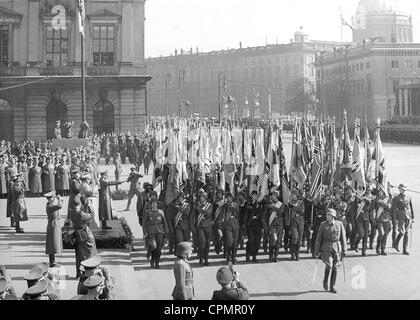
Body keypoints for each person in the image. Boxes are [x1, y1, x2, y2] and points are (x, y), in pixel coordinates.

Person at [314, 208, 347, 294]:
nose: (327, 216)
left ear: (333, 216)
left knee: (335, 267)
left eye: (329, 215)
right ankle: (325, 281)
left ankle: (332, 286)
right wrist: (316, 251)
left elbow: (343, 238)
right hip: (326, 247)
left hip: (336, 248)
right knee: (329, 265)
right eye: (327, 215)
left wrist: (344, 250)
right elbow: (318, 239)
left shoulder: (339, 224)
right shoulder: (323, 225)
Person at [69, 194, 97, 278]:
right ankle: (88, 272)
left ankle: (78, 273)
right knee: (88, 254)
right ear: (79, 204)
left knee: (78, 255)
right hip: (84, 234)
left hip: (76, 235)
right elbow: (91, 216)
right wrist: (90, 206)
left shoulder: (72, 212)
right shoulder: (81, 214)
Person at [143, 198, 169, 269]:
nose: (154, 205)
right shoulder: (148, 212)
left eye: (155, 204)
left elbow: (164, 222)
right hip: (151, 232)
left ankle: (157, 263)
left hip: (160, 232)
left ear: (157, 204)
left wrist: (166, 232)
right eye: (153, 204)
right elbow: (144, 223)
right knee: (153, 247)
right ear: (151, 205)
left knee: (158, 249)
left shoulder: (161, 212)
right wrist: (145, 232)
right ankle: (152, 261)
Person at [392, 184, 415, 255]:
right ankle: (396, 243)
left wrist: (413, 217)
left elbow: (411, 207)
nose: (401, 190)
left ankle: (404, 249)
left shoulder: (409, 196)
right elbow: (394, 209)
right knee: (402, 232)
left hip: (408, 216)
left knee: (407, 233)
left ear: (404, 189)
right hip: (400, 216)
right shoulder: (396, 198)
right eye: (400, 189)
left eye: (402, 189)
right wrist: (395, 219)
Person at [193, 192, 213, 266]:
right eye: (200, 197)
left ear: (205, 198)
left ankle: (206, 259)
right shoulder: (197, 205)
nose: (201, 198)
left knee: (207, 243)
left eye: (202, 197)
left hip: (208, 226)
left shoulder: (209, 205)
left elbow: (208, 213)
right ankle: (201, 257)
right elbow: (193, 215)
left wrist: (200, 210)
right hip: (200, 226)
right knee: (203, 242)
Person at [264, 190, 285, 262]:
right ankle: (270, 255)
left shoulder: (281, 204)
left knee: (278, 241)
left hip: (279, 224)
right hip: (272, 224)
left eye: (274, 195)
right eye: (272, 195)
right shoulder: (269, 204)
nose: (272, 196)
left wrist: (273, 207)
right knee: (274, 238)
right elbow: (266, 215)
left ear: (277, 196)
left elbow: (280, 212)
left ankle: (276, 256)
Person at [220, 192, 240, 264]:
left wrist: (233, 207)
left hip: (235, 226)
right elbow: (222, 214)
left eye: (230, 197)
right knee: (229, 242)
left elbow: (238, 212)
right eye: (227, 197)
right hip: (227, 226)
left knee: (235, 243)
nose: (229, 198)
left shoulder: (236, 204)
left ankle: (233, 257)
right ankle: (228, 256)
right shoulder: (224, 206)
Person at [45, 191, 63, 267]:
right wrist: (59, 199)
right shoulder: (50, 206)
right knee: (52, 243)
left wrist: (60, 200)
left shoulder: (51, 205)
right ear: (49, 199)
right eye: (53, 197)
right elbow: (59, 206)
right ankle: (52, 261)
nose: (54, 198)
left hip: (55, 224)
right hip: (53, 225)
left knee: (53, 243)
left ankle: (53, 260)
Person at [245, 190, 263, 262]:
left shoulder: (259, 204)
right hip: (250, 225)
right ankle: (248, 253)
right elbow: (245, 215)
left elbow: (261, 215)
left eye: (255, 195)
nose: (253, 196)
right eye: (252, 195)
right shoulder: (248, 204)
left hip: (258, 225)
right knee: (251, 240)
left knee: (257, 242)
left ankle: (254, 256)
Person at [288, 191, 305, 261]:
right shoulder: (290, 202)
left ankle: (297, 254)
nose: (293, 196)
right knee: (295, 237)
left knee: (299, 239)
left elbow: (302, 211)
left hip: (300, 221)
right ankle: (292, 254)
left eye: (294, 195)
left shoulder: (301, 202)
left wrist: (294, 207)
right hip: (293, 221)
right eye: (292, 195)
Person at [375, 186, 392, 255]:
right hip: (379, 219)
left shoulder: (387, 199)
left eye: (381, 191)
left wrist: (381, 203)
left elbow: (388, 207)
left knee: (385, 235)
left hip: (387, 218)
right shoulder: (376, 199)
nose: (380, 193)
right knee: (381, 233)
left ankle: (383, 249)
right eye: (379, 191)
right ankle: (378, 247)